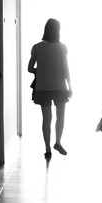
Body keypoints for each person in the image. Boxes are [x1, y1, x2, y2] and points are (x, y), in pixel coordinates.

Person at [28, 18, 72, 159]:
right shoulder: (62, 47)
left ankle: (47, 149)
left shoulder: (37, 47)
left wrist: (39, 71)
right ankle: (58, 142)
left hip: (42, 87)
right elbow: (65, 68)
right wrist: (70, 86)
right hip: (59, 87)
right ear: (58, 31)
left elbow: (29, 68)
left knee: (46, 118)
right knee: (61, 116)